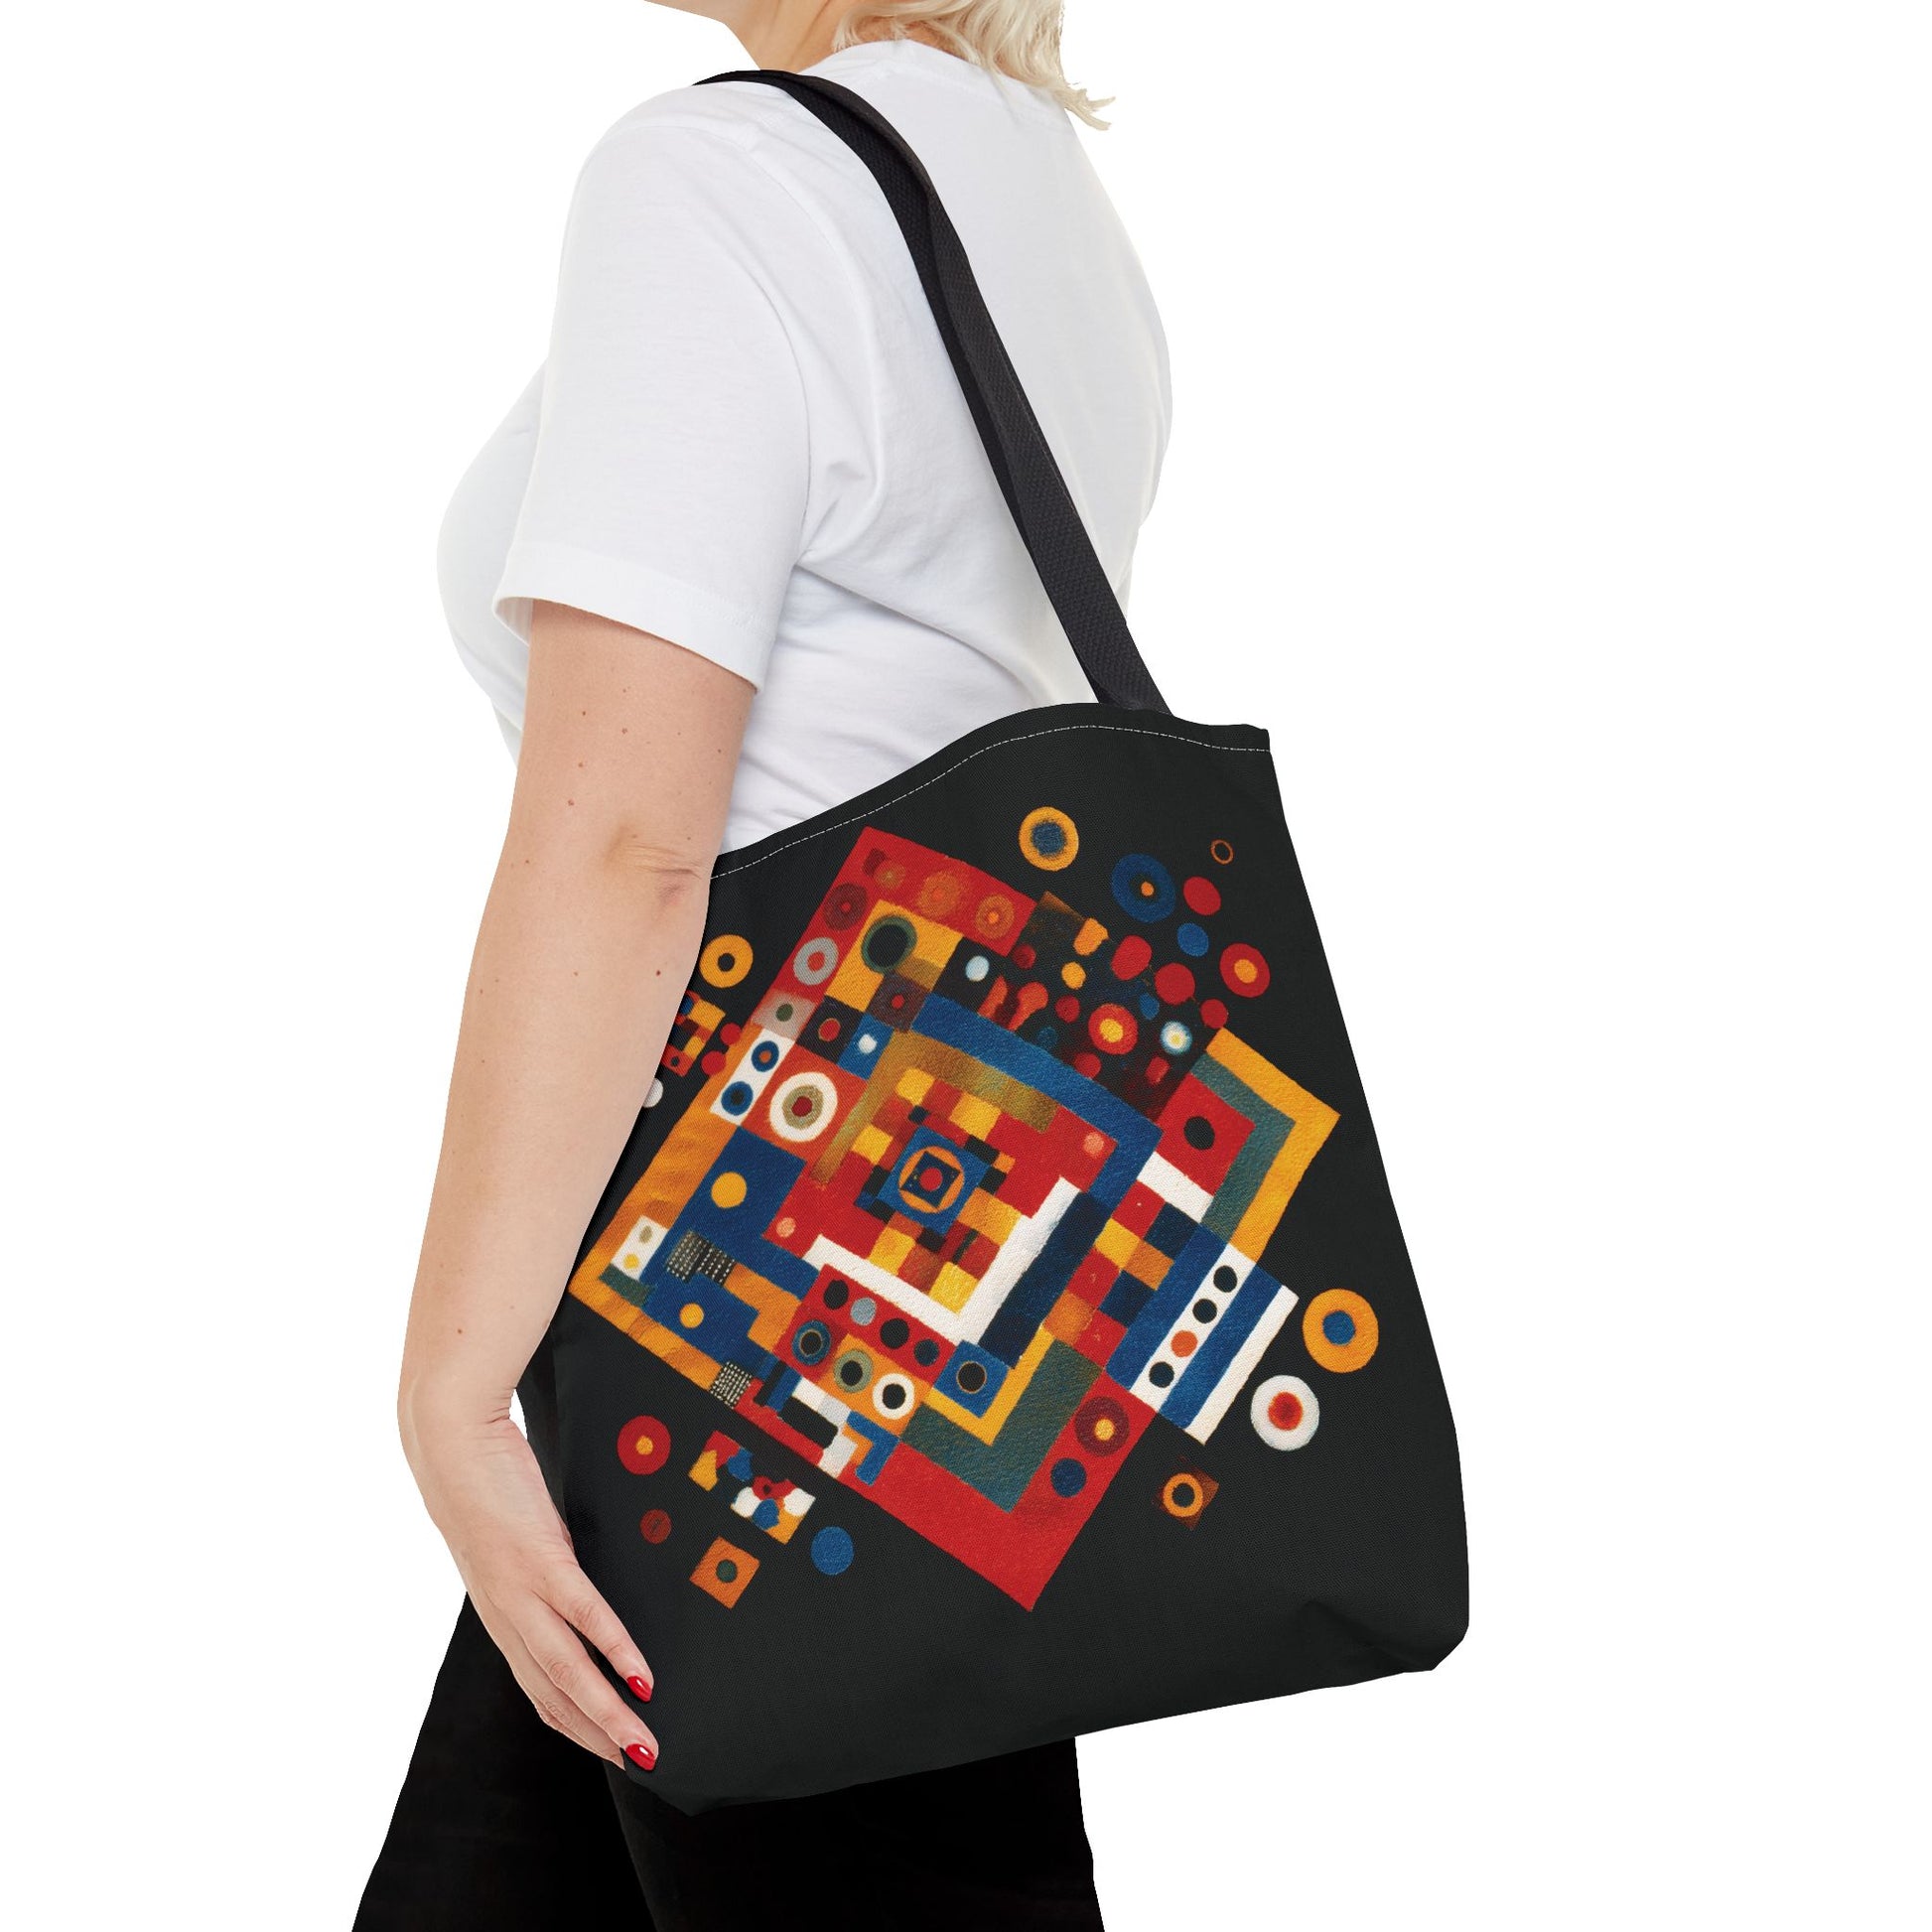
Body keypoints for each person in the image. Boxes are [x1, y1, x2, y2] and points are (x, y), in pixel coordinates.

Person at [358, 4, 1168, 1925]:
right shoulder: (1026, 181)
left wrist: (453, 1388)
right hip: (925, 1255)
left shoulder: (724, 176)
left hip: (754, 1301)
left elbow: (628, 846)